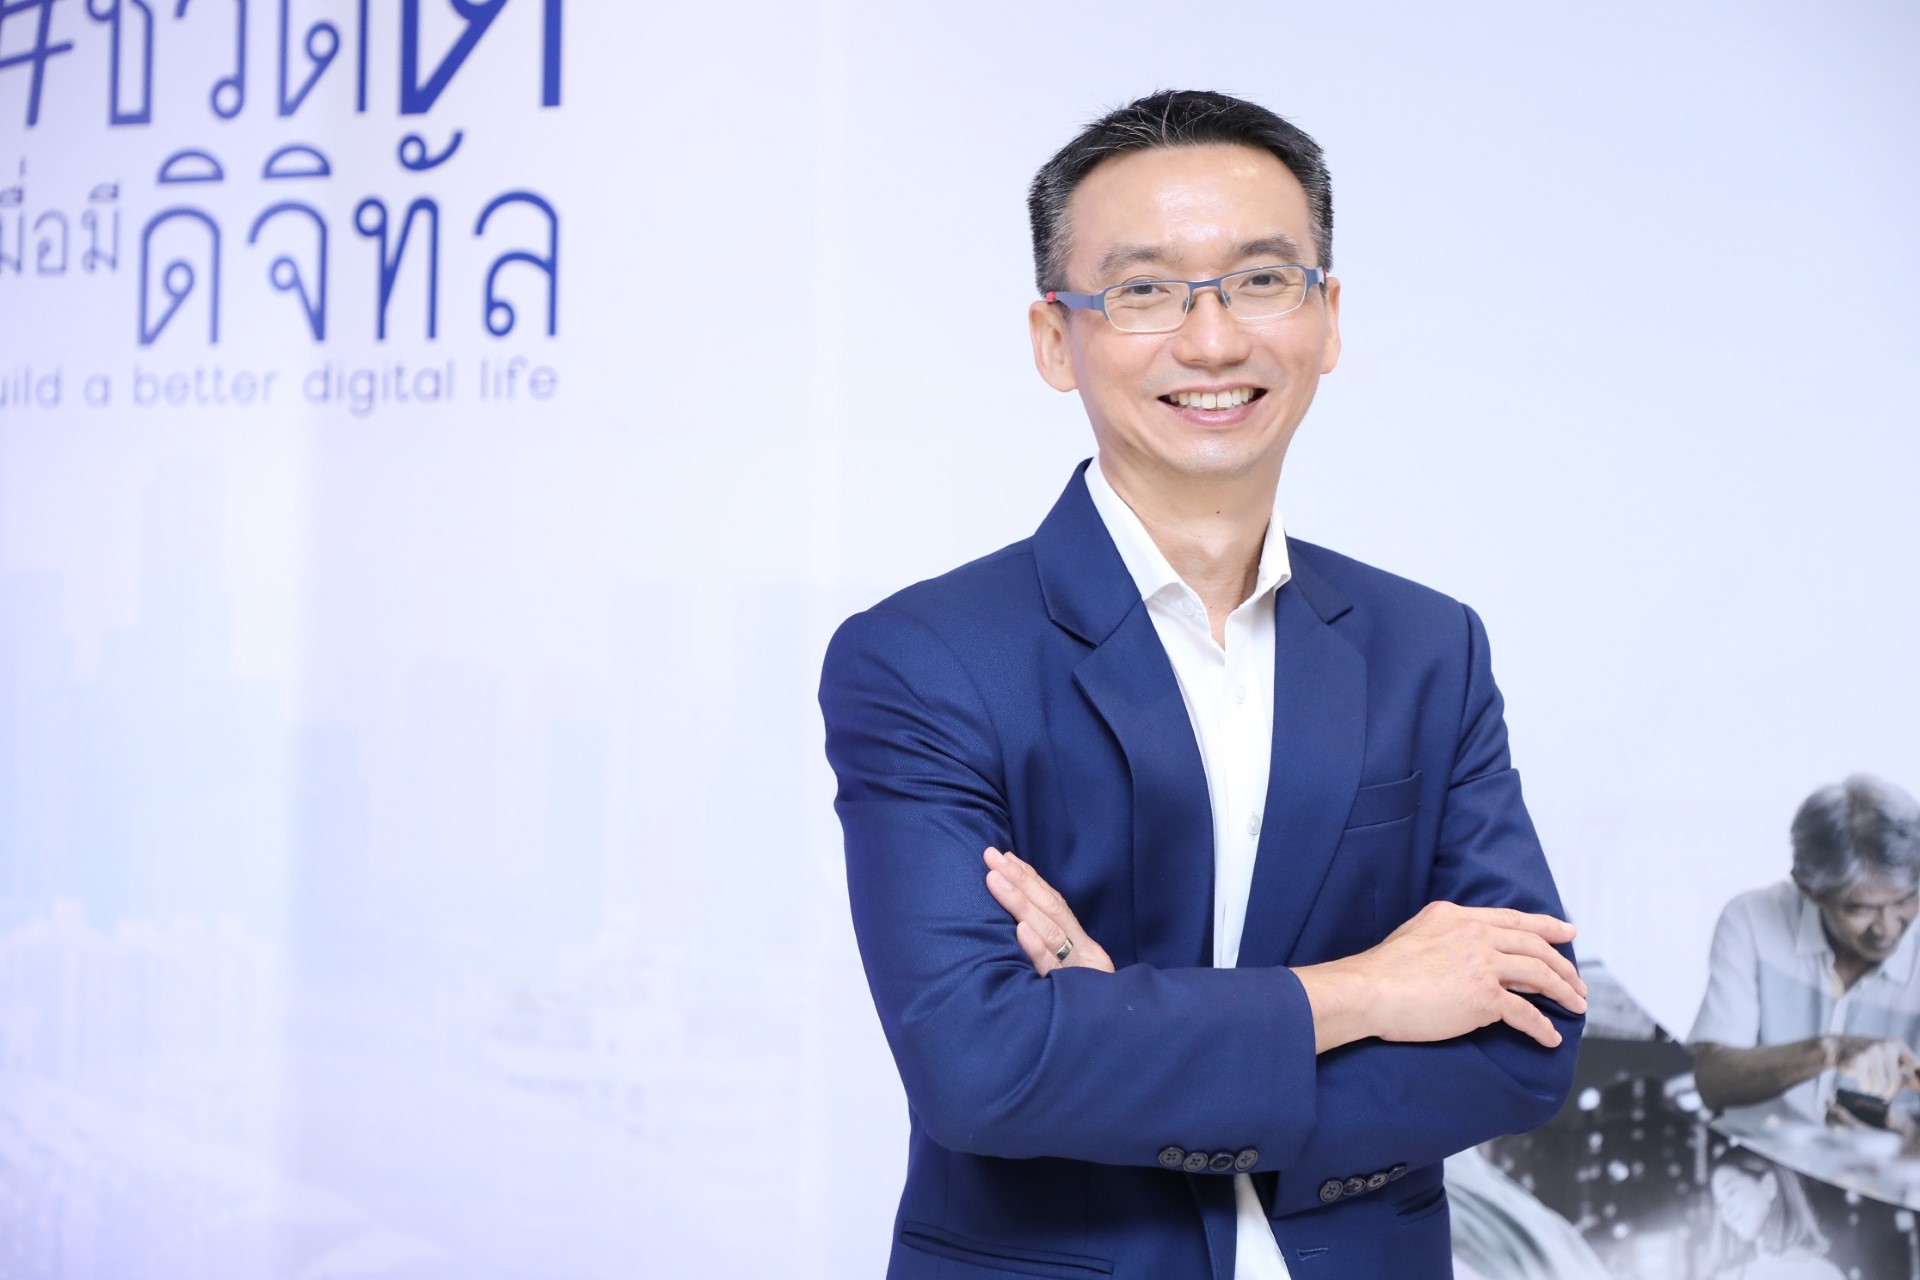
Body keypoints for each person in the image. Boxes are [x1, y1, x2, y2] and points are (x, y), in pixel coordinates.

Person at [819, 89, 1586, 1279]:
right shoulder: (925, 659)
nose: (1215, 341)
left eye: (1262, 280)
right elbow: (982, 1065)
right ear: (1054, 338)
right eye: (1145, 290)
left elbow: (1526, 1039)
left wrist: (1120, 1030)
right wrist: (1367, 991)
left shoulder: (1429, 648)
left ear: (1328, 317)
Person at [1690, 775, 1920, 1121]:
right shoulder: (1751, 921)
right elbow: (1713, 1081)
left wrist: (1909, 1142)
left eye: (1905, 901)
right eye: (1859, 908)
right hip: (1754, 1154)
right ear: (1807, 888)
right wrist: (1829, 1051)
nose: (1886, 928)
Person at [1700, 1150, 1844, 1280]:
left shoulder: (1818, 1274)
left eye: (1731, 1192)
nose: (1726, 1210)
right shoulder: (1728, 1276)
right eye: (1720, 1204)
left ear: (1769, 1185)